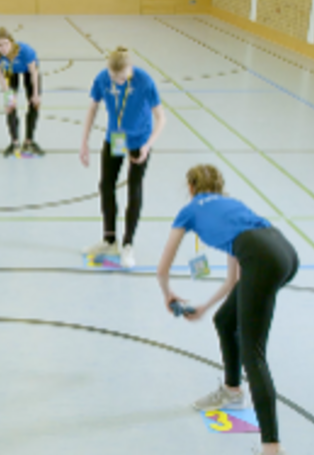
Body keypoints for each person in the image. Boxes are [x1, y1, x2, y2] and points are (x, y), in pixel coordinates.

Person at [157, 164, 297, 455]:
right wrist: (205, 307)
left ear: (191, 188)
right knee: (225, 320)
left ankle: (272, 447)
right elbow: (233, 280)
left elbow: (162, 268)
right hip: (284, 251)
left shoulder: (190, 210)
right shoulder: (233, 205)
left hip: (261, 257)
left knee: (253, 355)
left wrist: (167, 293)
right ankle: (232, 391)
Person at [80, 46, 166, 267]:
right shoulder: (102, 79)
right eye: (113, 76)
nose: (116, 81)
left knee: (134, 187)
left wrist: (147, 146)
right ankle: (109, 239)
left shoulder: (145, 82)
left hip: (139, 140)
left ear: (129, 69)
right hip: (116, 137)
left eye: (121, 77)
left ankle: (128, 244)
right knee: (106, 185)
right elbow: (92, 109)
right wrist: (84, 142)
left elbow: (161, 118)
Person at [0, 27, 44, 157]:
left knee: (34, 104)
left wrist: (36, 95)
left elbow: (34, 72)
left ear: (11, 42)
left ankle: (29, 141)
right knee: (10, 107)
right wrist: (8, 96)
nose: (4, 48)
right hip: (11, 72)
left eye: (6, 43)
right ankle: (14, 142)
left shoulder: (25, 51)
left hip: (29, 72)